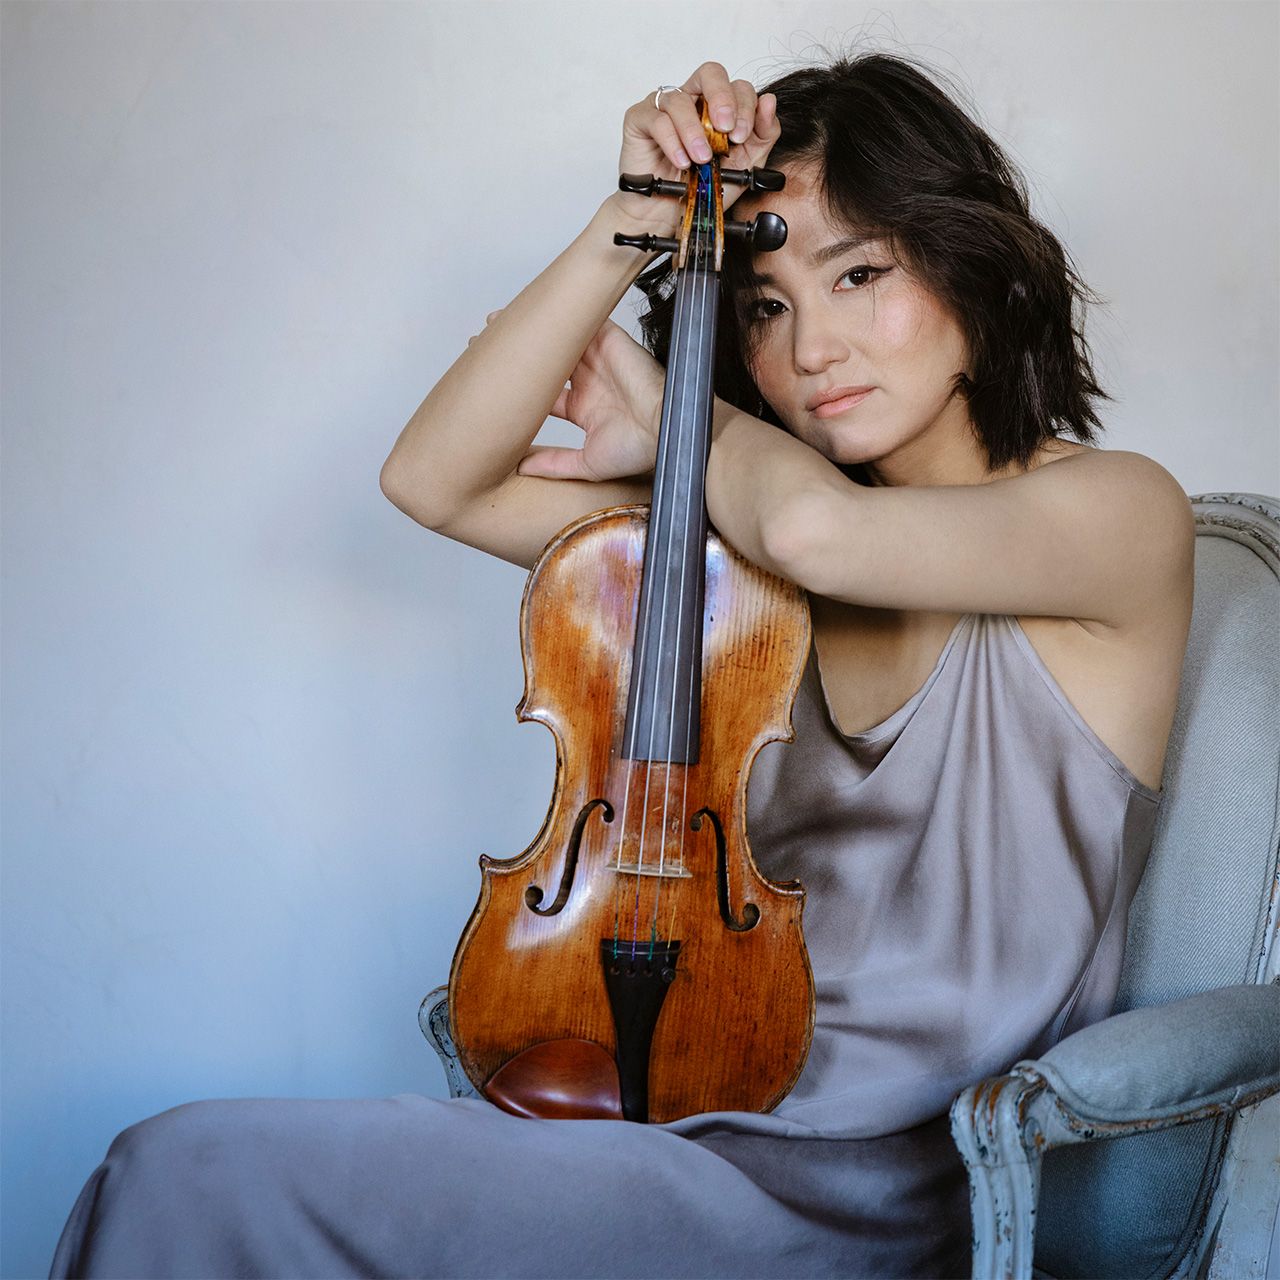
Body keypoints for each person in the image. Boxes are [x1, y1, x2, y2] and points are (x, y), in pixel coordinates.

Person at [50, 53, 1193, 1279]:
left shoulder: (1118, 513)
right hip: (671, 1113)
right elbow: (435, 481)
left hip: (880, 1191)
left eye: (858, 273)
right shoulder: (747, 558)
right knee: (175, 1167)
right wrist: (636, 219)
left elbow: (820, 531)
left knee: (180, 1170)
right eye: (760, 306)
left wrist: (669, 416)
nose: (812, 346)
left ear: (967, 260)